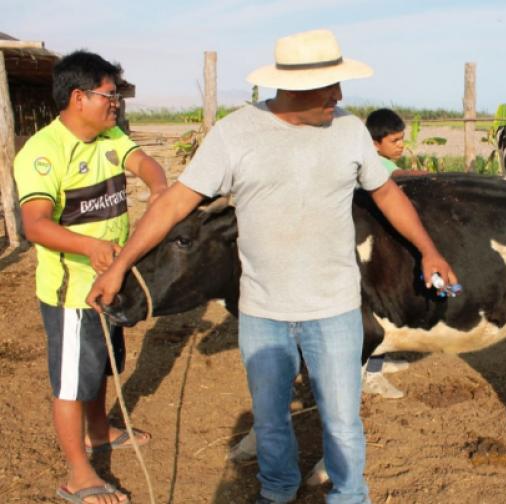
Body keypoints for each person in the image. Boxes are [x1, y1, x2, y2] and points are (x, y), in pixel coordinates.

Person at [87, 29, 457, 504]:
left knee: (342, 422)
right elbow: (174, 202)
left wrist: (429, 249)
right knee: (269, 418)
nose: (340, 96)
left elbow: (386, 192)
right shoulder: (236, 133)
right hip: (263, 313)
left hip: (336, 309)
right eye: (331, 86)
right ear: (293, 88)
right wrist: (121, 266)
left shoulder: (347, 130)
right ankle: (278, 489)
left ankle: (349, 495)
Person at [13, 51, 167, 504]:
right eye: (109, 95)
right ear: (79, 97)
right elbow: (35, 224)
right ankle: (78, 475)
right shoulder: (43, 152)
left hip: (111, 281)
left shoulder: (110, 136)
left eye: (117, 96)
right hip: (73, 293)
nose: (116, 103)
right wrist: (90, 247)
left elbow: (143, 163)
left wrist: (159, 189)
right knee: (71, 383)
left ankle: (99, 431)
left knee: (102, 366)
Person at [360, 108, 424, 399]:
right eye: (395, 140)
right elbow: (401, 176)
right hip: (369, 248)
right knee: (375, 308)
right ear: (375, 143)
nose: (401, 145)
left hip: (376, 244)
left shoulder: (377, 159)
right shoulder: (376, 165)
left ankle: (377, 363)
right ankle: (371, 375)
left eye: (402, 139)